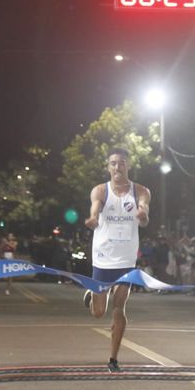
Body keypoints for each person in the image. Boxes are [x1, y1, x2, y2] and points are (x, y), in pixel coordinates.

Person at [83, 148, 150, 372]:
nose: (117, 167)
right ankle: (91, 298)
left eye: (121, 163)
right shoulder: (100, 190)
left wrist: (143, 214)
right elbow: (95, 209)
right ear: (108, 167)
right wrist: (93, 218)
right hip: (103, 258)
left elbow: (144, 210)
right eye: (113, 163)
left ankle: (113, 358)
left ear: (127, 165)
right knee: (98, 313)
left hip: (126, 260)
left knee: (119, 307)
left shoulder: (140, 190)